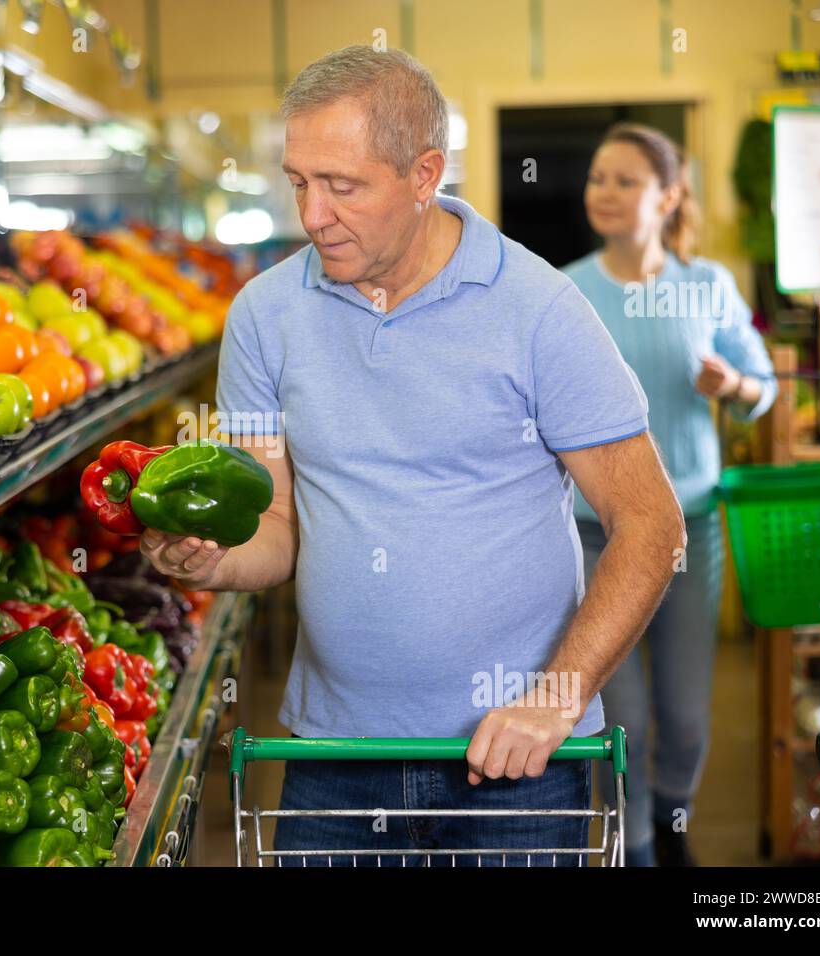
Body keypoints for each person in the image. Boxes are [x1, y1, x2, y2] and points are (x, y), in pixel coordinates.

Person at [141, 45, 684, 866]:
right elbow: (279, 524)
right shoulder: (263, 316)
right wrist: (212, 561)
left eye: (343, 186)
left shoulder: (539, 310)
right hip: (335, 762)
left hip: (522, 766)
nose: (313, 214)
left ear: (425, 173)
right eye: (299, 182)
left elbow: (648, 523)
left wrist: (556, 699)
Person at [563, 124, 776, 867]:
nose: (606, 193)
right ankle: (640, 848)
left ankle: (673, 822)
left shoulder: (708, 285)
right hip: (594, 534)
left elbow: (764, 389)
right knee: (621, 722)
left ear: (669, 196)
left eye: (626, 180)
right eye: (598, 178)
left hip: (691, 529)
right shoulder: (567, 291)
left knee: (684, 716)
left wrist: (736, 386)